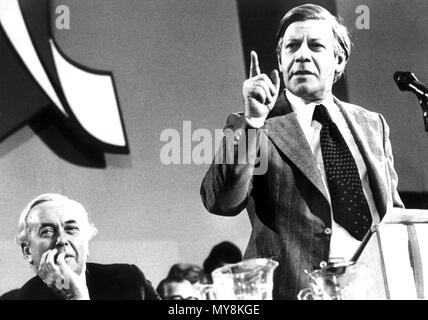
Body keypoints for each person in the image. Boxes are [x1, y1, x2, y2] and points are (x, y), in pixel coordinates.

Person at [200, 4, 404, 300]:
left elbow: (393, 215)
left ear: (339, 59)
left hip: (372, 289)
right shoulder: (255, 124)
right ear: (281, 61)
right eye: (292, 46)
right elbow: (220, 200)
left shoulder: (372, 124)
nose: (302, 55)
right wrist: (254, 120)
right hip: (293, 290)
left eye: (316, 46)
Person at [14, 193, 159, 300]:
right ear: (27, 251)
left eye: (71, 229)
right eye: (47, 231)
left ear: (87, 242)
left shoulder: (129, 280)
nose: (62, 240)